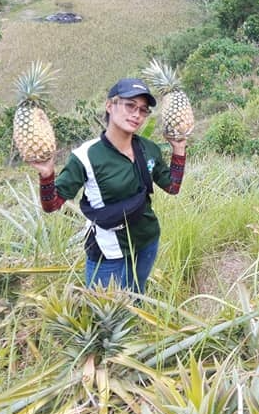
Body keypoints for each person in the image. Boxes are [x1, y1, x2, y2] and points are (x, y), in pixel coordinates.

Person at [30, 78, 188, 296]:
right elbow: (52, 205)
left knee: (136, 294)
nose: (137, 115)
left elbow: (172, 187)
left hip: (147, 241)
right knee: (103, 311)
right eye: (130, 105)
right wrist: (47, 174)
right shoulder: (85, 157)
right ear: (109, 105)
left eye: (143, 110)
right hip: (107, 250)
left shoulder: (148, 149)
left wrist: (179, 148)